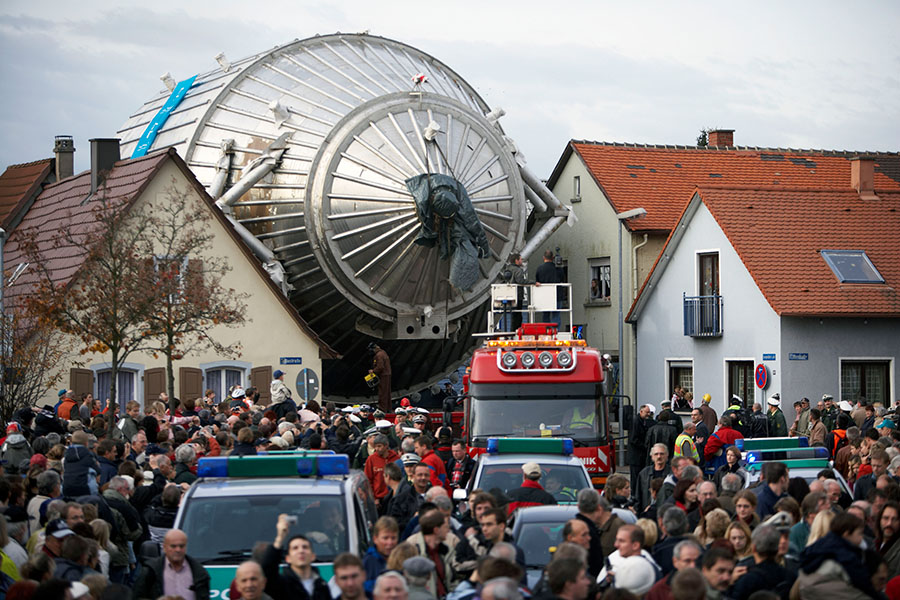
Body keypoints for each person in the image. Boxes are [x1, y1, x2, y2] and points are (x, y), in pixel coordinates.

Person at [794, 512, 879, 598]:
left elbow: (795, 593)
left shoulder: (810, 555)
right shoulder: (846, 559)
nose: (862, 538)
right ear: (846, 533)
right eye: (860, 533)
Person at [261, 513, 331, 600]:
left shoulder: (322, 585)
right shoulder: (281, 585)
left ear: (313, 556)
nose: (301, 551)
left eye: (305, 547)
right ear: (288, 558)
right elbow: (266, 573)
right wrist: (280, 538)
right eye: (295, 548)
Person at [134, 529, 211, 600]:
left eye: (181, 546)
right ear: (164, 547)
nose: (178, 550)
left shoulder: (198, 572)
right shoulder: (151, 571)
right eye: (173, 546)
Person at [728, 525, 795, 600]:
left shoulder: (746, 580)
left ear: (753, 548)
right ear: (777, 548)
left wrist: (730, 584)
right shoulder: (789, 576)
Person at [364, 517, 400, 596]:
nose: (389, 542)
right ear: (375, 539)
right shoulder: (368, 563)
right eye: (385, 538)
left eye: (393, 538)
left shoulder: (400, 561)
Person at [574, 489, 605, 578]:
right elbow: (596, 564)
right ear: (599, 508)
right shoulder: (590, 532)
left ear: (578, 506)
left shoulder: (573, 527)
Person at [636, 444, 672, 514]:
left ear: (667, 455)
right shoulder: (644, 474)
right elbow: (638, 497)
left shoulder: (672, 474)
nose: (659, 456)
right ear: (652, 456)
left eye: (662, 454)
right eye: (656, 454)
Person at [630, 404, 654, 492]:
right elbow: (634, 439)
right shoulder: (636, 422)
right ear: (641, 412)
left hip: (639, 455)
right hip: (636, 456)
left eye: (649, 412)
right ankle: (634, 494)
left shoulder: (641, 421)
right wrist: (644, 446)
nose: (648, 414)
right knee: (636, 477)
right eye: (647, 412)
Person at [534, 249, 561, 326]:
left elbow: (537, 279)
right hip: (557, 294)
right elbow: (562, 277)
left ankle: (546, 330)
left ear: (543, 257)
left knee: (545, 314)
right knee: (556, 314)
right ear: (552, 258)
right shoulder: (557, 268)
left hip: (544, 295)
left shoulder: (540, 268)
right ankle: (555, 330)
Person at [368, 342, 393, 413]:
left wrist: (373, 371)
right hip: (387, 374)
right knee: (387, 392)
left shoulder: (379, 355)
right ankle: (388, 408)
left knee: (382, 393)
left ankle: (382, 409)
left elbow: (380, 367)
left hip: (383, 375)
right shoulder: (383, 352)